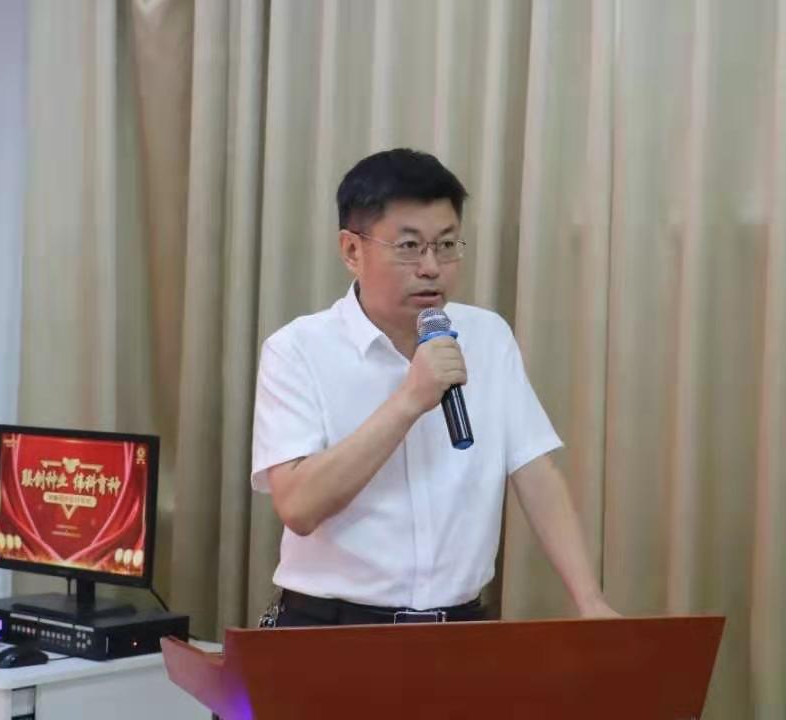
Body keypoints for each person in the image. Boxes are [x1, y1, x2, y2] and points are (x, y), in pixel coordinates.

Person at [251, 148, 619, 626]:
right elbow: (299, 507)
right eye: (409, 246)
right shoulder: (297, 349)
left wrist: (589, 601)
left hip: (459, 626)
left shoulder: (487, 336)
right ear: (352, 251)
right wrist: (409, 400)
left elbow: (535, 471)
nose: (431, 267)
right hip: (331, 628)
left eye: (446, 245)